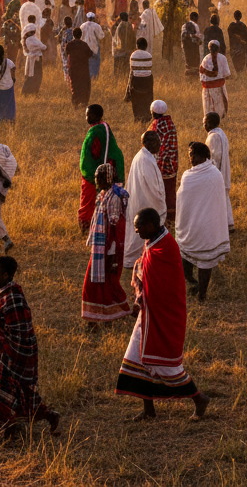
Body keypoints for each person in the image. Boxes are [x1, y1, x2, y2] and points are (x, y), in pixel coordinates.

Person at [115, 207, 210, 421]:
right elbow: (146, 272)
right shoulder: (153, 241)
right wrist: (141, 301)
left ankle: (199, 398)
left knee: (164, 365)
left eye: (139, 228)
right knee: (136, 358)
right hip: (149, 312)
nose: (137, 232)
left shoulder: (165, 247)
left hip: (162, 314)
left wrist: (142, 300)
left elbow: (162, 283)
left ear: (150, 226)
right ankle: (149, 410)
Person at [0, 256, 61, 437]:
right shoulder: (1, 293)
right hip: (5, 353)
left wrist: (9, 350)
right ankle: (10, 430)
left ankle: (47, 417)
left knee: (22, 394)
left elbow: (20, 332)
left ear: (6, 275)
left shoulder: (13, 297)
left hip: (19, 354)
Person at [175, 141, 230, 301]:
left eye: (193, 154)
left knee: (203, 260)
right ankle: (193, 283)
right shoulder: (194, 175)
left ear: (203, 156)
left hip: (204, 225)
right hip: (198, 225)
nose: (191, 158)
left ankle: (202, 294)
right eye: (190, 155)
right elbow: (184, 199)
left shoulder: (212, 175)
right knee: (190, 256)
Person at [82, 162, 132, 327]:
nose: (96, 182)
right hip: (99, 247)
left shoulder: (114, 199)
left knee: (101, 283)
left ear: (107, 179)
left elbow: (115, 228)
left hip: (108, 249)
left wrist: (113, 254)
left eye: (99, 179)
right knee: (99, 283)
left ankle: (99, 319)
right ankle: (104, 317)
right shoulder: (103, 195)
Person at [124, 129, 169, 269]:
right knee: (141, 232)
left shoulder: (144, 156)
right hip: (144, 201)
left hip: (140, 199)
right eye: (157, 142)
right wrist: (160, 203)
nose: (160, 145)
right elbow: (152, 187)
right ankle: (135, 259)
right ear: (149, 143)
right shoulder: (145, 159)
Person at [77, 104, 124, 234]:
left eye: (89, 115)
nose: (87, 117)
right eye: (86, 115)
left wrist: (89, 173)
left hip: (95, 175)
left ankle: (87, 227)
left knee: (88, 200)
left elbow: (91, 156)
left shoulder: (96, 131)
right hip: (106, 171)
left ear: (97, 115)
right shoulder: (103, 127)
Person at [148, 101, 179, 231]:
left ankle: (162, 218)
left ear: (153, 112)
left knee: (160, 192)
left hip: (160, 166)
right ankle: (172, 218)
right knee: (170, 191)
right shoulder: (170, 123)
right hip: (172, 165)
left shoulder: (156, 126)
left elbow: (155, 150)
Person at [204, 111, 233, 231]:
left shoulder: (213, 137)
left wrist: (211, 173)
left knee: (217, 199)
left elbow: (214, 158)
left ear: (210, 123)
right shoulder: (221, 133)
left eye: (205, 123)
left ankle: (222, 225)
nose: (204, 125)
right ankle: (228, 223)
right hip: (223, 171)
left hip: (217, 172)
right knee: (223, 198)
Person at [199, 41, 231, 121]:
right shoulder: (222, 58)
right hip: (219, 87)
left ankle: (209, 121)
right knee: (219, 106)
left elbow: (201, 75)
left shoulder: (205, 58)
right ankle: (219, 120)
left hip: (207, 88)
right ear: (218, 48)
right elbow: (226, 74)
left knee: (208, 107)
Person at [124, 37, 154, 123]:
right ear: (146, 46)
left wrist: (128, 90)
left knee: (136, 100)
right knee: (147, 99)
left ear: (137, 46)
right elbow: (149, 68)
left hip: (136, 80)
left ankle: (137, 117)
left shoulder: (133, 55)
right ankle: (146, 117)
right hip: (147, 80)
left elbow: (132, 71)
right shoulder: (149, 55)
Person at [65, 27, 93, 106]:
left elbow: (66, 53)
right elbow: (90, 54)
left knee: (75, 86)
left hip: (73, 69)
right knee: (84, 86)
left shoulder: (69, 45)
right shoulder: (84, 45)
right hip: (83, 69)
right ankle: (84, 102)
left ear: (73, 35)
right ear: (81, 35)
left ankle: (75, 102)